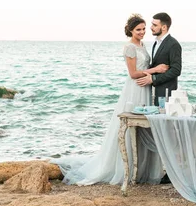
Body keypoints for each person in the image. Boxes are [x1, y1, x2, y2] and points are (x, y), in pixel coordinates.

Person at [56, 14, 167, 185]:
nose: (142, 32)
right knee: (130, 124)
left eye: (144, 29)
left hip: (145, 87)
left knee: (142, 127)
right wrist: (156, 70)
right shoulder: (129, 47)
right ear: (130, 30)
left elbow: (143, 68)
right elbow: (133, 74)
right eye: (138, 29)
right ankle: (124, 168)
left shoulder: (143, 45)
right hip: (135, 88)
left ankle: (142, 168)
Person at [137, 12, 183, 107]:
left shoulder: (173, 44)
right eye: (151, 24)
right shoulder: (156, 43)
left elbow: (176, 70)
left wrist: (154, 79)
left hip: (167, 92)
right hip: (155, 91)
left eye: (154, 25)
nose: (151, 27)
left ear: (164, 27)